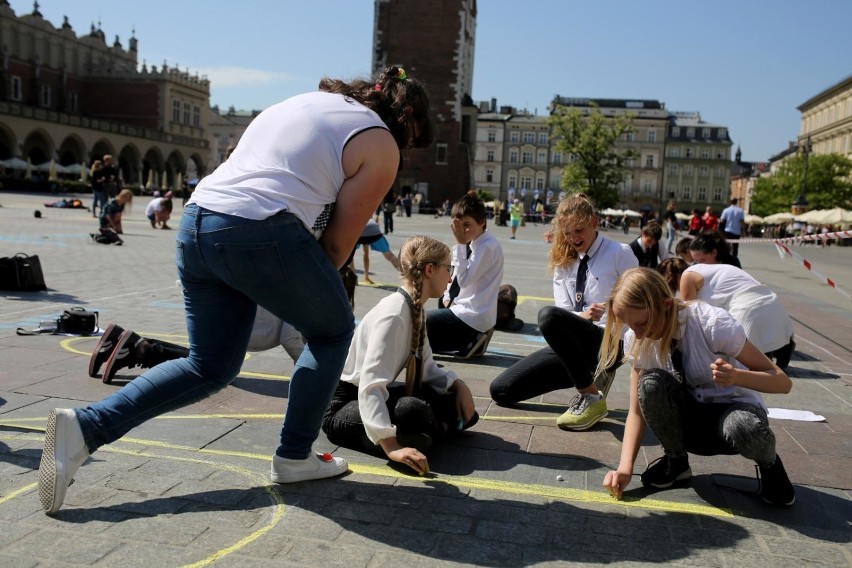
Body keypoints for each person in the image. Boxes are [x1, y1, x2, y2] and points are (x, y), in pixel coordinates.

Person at [38, 65, 435, 514]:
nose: (408, 150)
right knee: (332, 330)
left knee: (209, 365)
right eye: (413, 140)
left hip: (198, 222)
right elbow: (338, 245)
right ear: (405, 120)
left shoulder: (298, 103)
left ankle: (85, 428)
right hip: (259, 230)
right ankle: (294, 455)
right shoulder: (380, 140)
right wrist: (308, 296)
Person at [600, 268, 795, 506]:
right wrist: (625, 468)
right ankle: (676, 463)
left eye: (642, 323)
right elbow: (635, 411)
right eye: (630, 325)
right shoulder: (638, 339)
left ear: (667, 305)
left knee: (743, 427)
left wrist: (736, 376)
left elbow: (782, 382)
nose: (638, 334)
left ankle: (770, 466)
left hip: (733, 417)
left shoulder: (711, 322)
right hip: (691, 422)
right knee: (650, 384)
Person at [322, 236, 477, 474]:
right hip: (342, 407)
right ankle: (425, 431)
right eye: (449, 269)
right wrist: (391, 445)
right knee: (412, 410)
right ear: (429, 270)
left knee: (447, 403)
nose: (450, 277)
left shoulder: (415, 309)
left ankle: (431, 430)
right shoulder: (394, 314)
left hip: (368, 396)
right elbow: (370, 386)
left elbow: (427, 370)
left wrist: (458, 385)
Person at [489, 193, 638, 431]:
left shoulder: (620, 252)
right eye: (567, 233)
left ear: (594, 222)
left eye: (578, 230)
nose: (572, 238)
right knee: (501, 390)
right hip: (574, 342)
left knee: (547, 316)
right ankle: (588, 374)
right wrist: (584, 316)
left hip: (610, 341)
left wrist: (611, 311)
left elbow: (639, 302)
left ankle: (590, 396)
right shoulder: (563, 260)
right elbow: (565, 312)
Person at [89, 310, 306, 384]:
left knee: (205, 362)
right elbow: (291, 338)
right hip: (235, 328)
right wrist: (308, 368)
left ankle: (120, 340)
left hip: (227, 317)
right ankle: (139, 350)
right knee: (210, 370)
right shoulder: (310, 292)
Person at [676, 262, 796, 369]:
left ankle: (765, 360)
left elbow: (687, 314)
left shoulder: (687, 275)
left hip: (748, 307)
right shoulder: (714, 269)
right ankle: (781, 349)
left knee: (734, 357)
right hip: (771, 301)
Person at [426, 194, 504, 355]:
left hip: (471, 318)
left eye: (467, 224)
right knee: (420, 327)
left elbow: (464, 280)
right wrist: (448, 297)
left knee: (416, 325)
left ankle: (469, 341)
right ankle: (467, 341)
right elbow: (454, 278)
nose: (463, 230)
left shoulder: (486, 247)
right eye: (459, 226)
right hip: (468, 314)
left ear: (482, 222)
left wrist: (460, 244)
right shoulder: (478, 242)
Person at [352, 218, 401, 284]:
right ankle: (407, 275)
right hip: (373, 230)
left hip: (359, 230)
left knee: (349, 256)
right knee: (390, 256)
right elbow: (365, 254)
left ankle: (353, 279)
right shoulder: (369, 217)